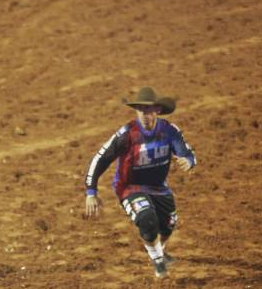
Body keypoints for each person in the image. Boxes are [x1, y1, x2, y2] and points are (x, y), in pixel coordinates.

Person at [84, 86, 197, 278]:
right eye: (141, 109)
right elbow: (100, 159)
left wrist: (189, 161)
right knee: (146, 218)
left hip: (159, 188)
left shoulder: (169, 131)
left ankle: (158, 250)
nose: (145, 114)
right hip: (130, 187)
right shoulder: (127, 134)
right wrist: (91, 192)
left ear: (158, 110)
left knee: (168, 225)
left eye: (149, 109)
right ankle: (158, 261)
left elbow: (185, 152)